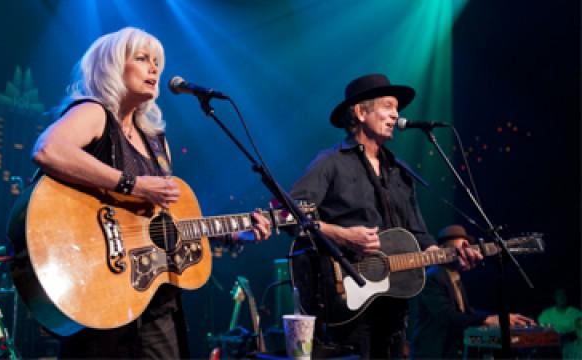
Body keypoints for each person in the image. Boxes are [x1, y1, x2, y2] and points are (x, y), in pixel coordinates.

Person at [31, 27, 271, 359]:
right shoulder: (94, 113)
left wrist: (232, 234)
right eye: (142, 59)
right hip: (104, 290)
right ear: (112, 66)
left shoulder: (156, 141)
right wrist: (131, 184)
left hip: (155, 301)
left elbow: (165, 224)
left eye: (156, 61)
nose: (154, 68)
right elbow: (48, 150)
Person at [289, 74, 482, 359]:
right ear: (360, 111)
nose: (396, 115)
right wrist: (342, 235)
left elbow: (418, 234)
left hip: (394, 305)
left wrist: (447, 255)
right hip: (346, 302)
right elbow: (290, 214)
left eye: (397, 109)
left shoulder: (400, 172)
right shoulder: (330, 162)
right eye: (388, 106)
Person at [408, 224, 535, 359]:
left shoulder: (454, 275)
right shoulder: (434, 275)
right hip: (432, 353)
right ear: (443, 250)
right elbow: (448, 317)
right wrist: (487, 320)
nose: (467, 251)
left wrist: (500, 318)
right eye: (461, 248)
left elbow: (467, 313)